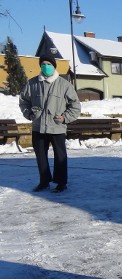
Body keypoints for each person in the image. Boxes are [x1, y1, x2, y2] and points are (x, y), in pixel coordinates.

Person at [19, 54, 81, 193]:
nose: (46, 66)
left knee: (60, 156)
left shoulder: (64, 85)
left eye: (49, 64)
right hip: (38, 126)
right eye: (43, 64)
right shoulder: (32, 83)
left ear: (54, 66)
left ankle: (61, 182)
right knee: (40, 156)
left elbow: (75, 105)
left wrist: (65, 117)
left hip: (56, 126)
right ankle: (44, 181)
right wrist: (29, 113)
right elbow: (24, 101)